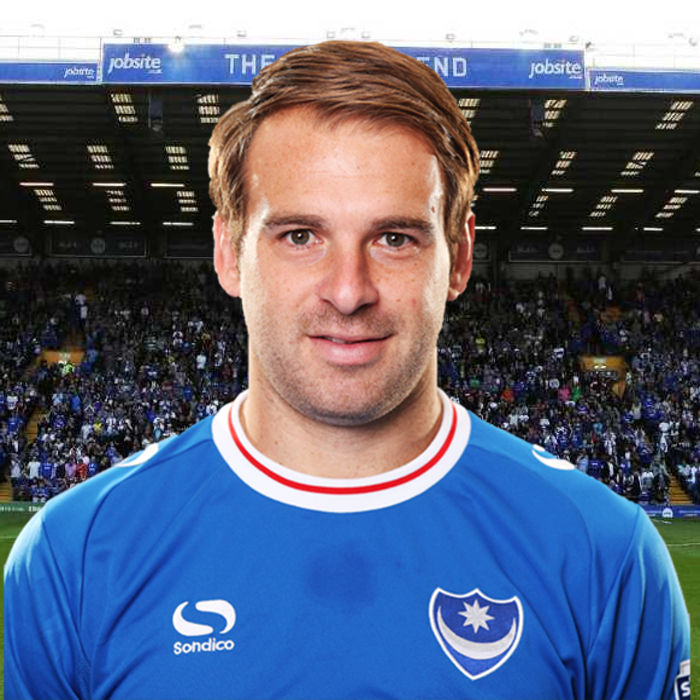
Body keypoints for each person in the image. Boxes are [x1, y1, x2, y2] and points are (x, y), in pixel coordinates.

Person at [4, 41, 689, 700]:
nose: (348, 290)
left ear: (459, 256)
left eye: (394, 238)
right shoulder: (76, 555)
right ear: (228, 252)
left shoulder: (603, 552)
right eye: (300, 236)